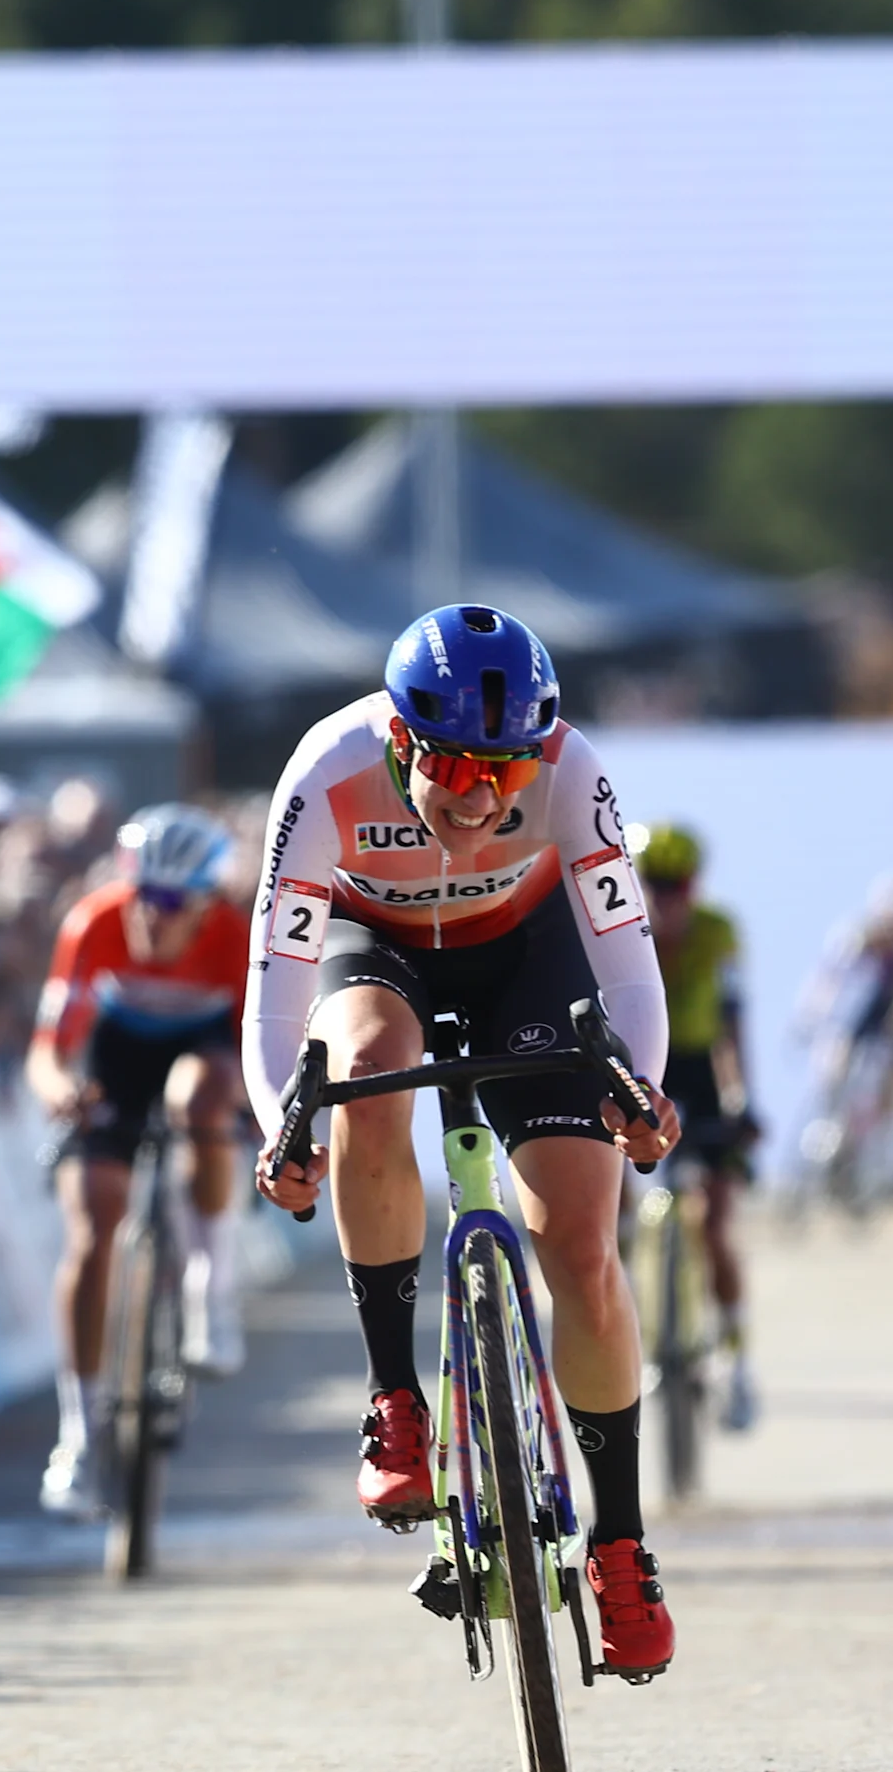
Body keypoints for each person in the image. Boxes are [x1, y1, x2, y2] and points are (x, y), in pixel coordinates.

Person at [245, 604, 683, 1682]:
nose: (485, 799)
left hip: (526, 958)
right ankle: (397, 1394)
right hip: (373, 949)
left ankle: (618, 1543)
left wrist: (640, 1087)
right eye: (458, 770)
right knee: (362, 1063)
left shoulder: (574, 771)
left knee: (580, 1244)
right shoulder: (325, 770)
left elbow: (627, 960)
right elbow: (273, 993)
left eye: (508, 772)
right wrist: (280, 1127)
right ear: (401, 743)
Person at [27, 803, 252, 1517]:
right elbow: (48, 1050)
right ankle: (80, 1436)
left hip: (205, 1054)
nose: (150, 917)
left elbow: (260, 1053)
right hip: (117, 1057)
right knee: (93, 1228)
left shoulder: (233, 936)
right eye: (141, 894)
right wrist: (62, 1090)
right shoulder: (93, 922)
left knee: (199, 1102)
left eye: (171, 903)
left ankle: (208, 1286)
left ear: (207, 902)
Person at [634, 821, 758, 1433]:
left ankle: (736, 1357)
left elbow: (732, 1025)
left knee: (713, 1223)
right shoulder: (623, 931)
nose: (666, 899)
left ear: (694, 887)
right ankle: (640, 1341)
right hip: (642, 1073)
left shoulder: (719, 933)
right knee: (609, 1221)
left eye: (676, 886)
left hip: (703, 1073)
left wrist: (740, 1102)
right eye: (654, 885)